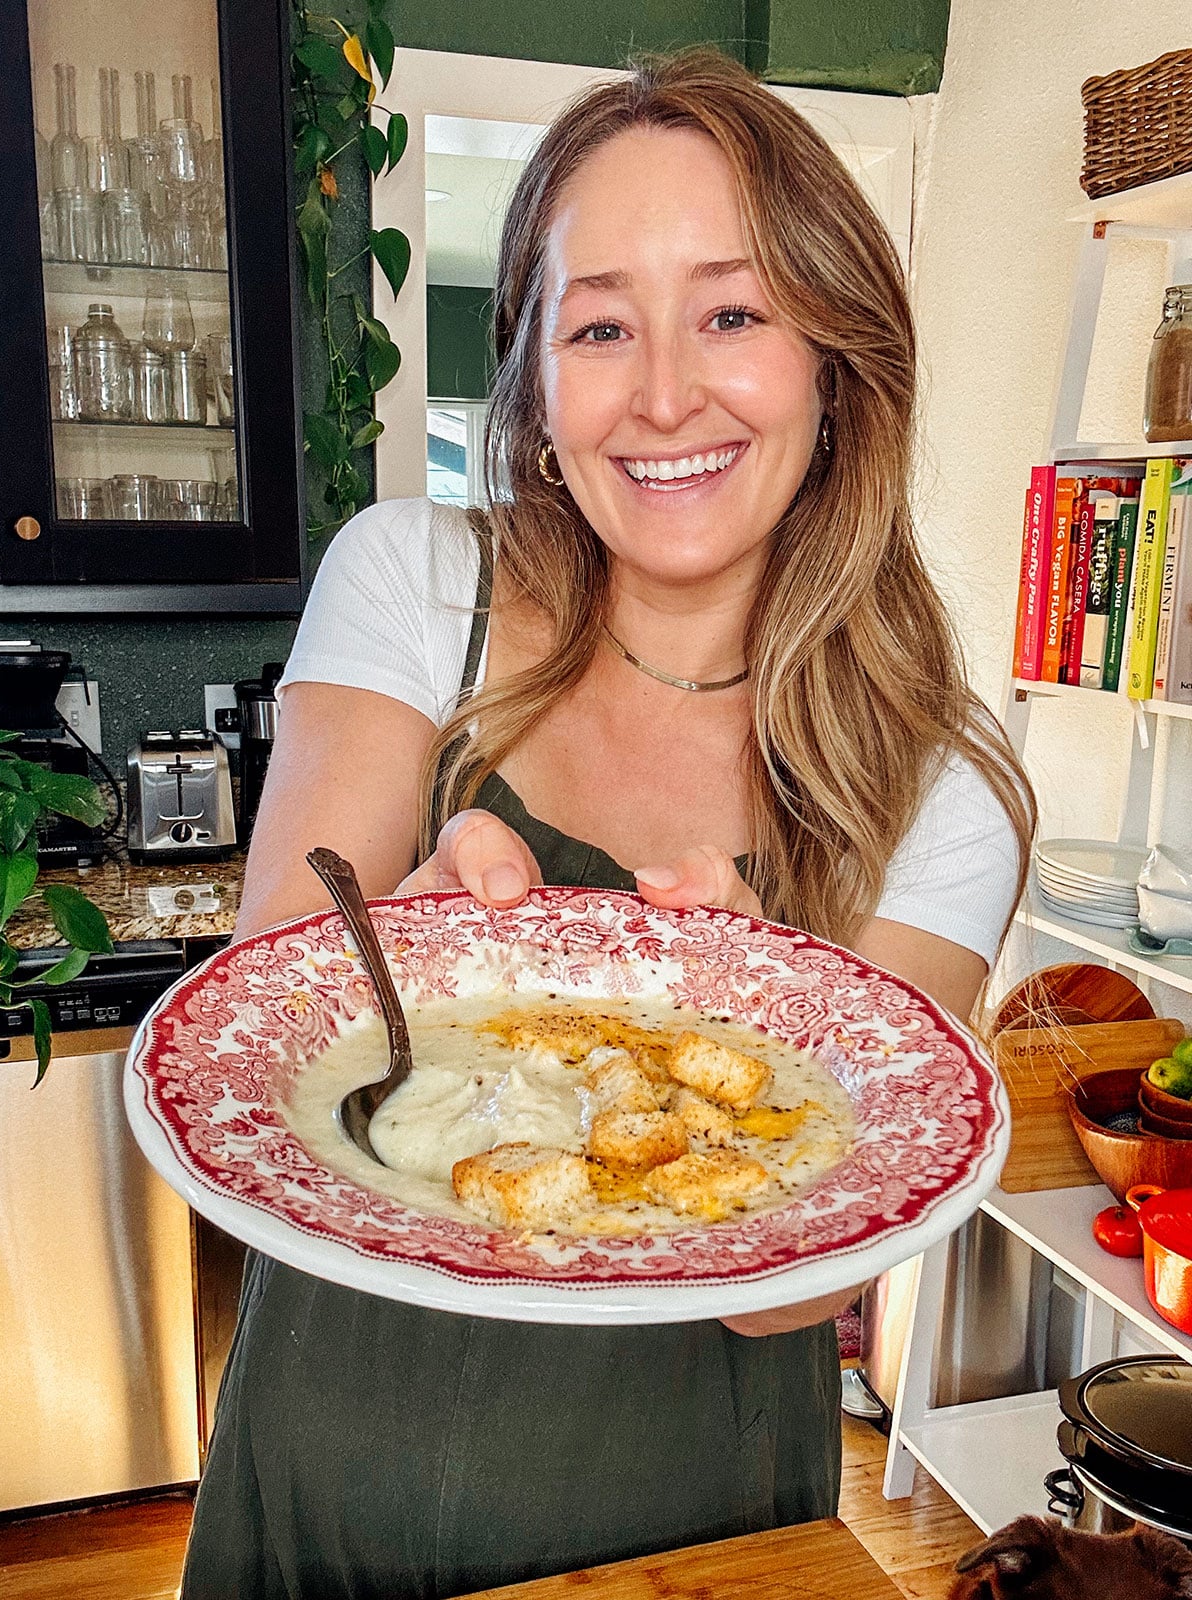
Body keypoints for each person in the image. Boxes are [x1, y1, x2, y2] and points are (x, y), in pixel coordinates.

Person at [181, 47, 1034, 1600]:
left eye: (732, 311)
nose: (662, 394)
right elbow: (252, 1092)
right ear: (534, 380)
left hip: (694, 1531)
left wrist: (765, 1043)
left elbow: (801, 1302)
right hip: (328, 1465)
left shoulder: (942, 789)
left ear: (836, 358)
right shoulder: (412, 583)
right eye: (599, 327)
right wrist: (426, 958)